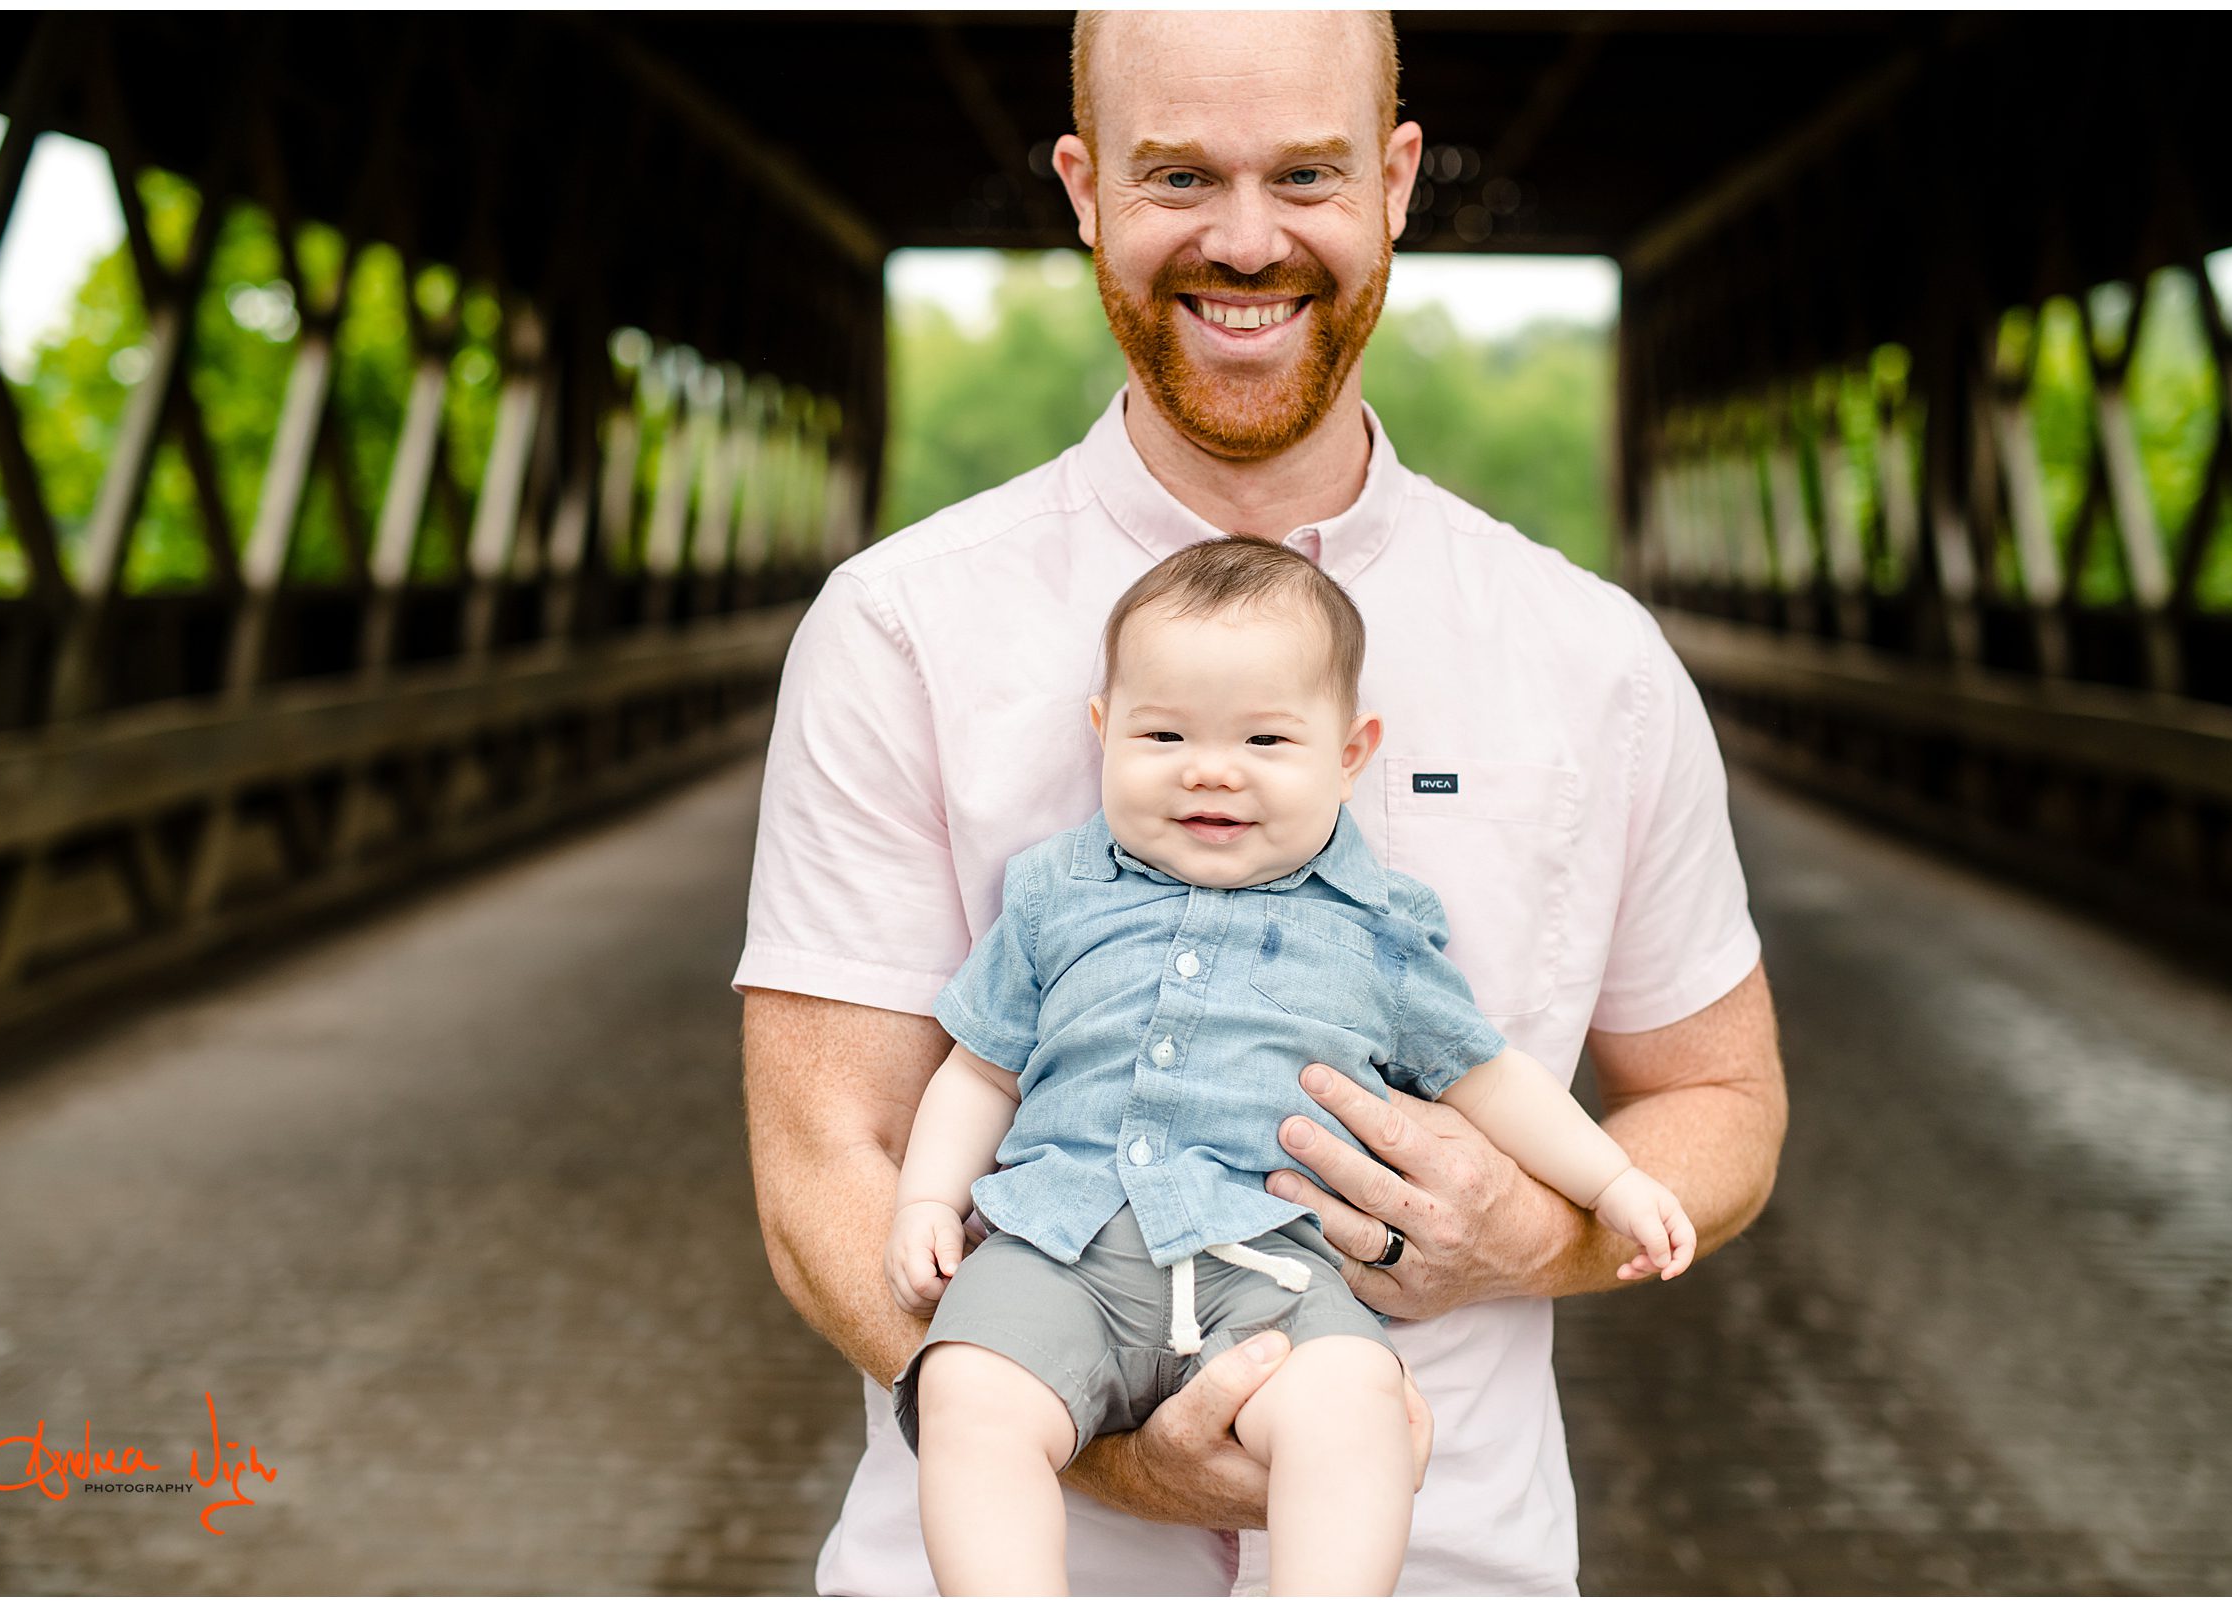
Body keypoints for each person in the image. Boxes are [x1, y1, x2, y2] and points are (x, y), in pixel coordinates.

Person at [737, 9, 1786, 1593]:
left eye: (1307, 172)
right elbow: (831, 1156)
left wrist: (1531, 1225)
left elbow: (1724, 1100)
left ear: (1397, 181)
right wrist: (1108, 1449)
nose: (1245, 240)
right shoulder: (901, 627)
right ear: (1086, 189)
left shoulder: (1592, 659)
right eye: (1177, 175)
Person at [884, 536, 1697, 1596]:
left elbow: (1491, 1081)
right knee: (970, 1390)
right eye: (1162, 732)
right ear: (1102, 732)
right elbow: (981, 1070)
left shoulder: (1380, 934)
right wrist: (925, 1196)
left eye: (1266, 736)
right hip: (1059, 1245)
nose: (1210, 767)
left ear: (1351, 752)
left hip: (1270, 1266)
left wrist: (1615, 1181)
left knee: (1355, 1400)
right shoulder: (1053, 895)